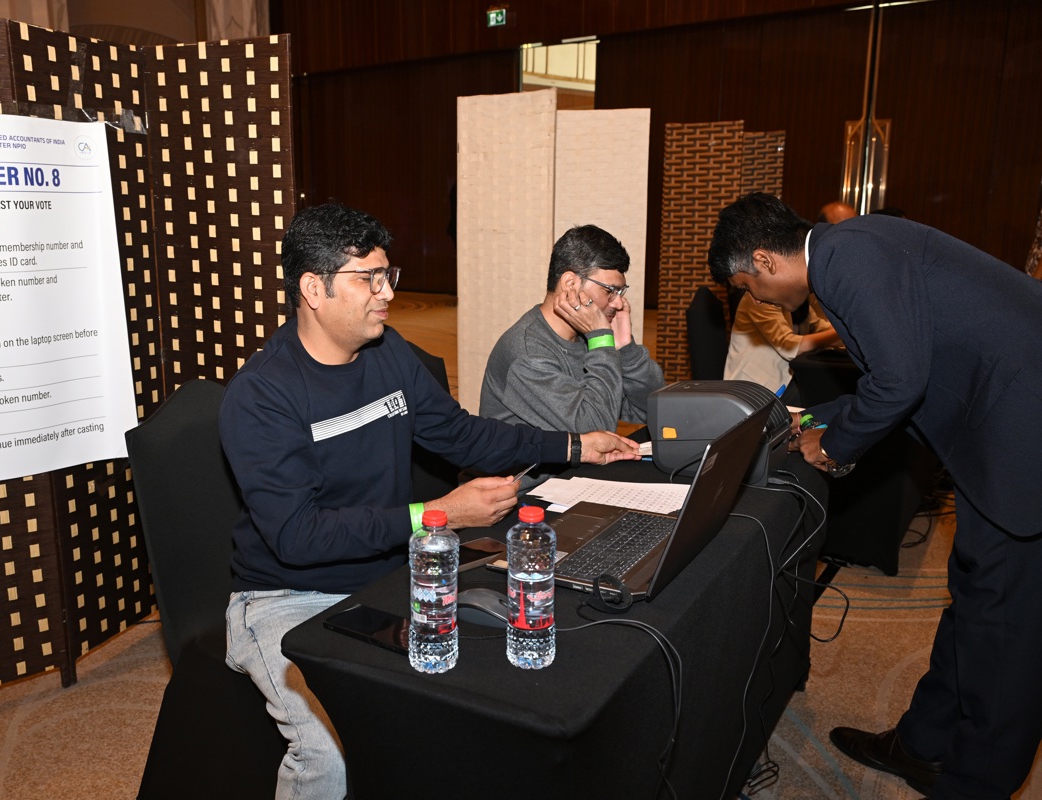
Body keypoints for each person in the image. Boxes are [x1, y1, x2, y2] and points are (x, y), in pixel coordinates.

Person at [220, 202, 642, 799]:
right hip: (285, 597)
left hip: (386, 576)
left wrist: (573, 444)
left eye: (387, 274)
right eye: (369, 279)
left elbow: (462, 434)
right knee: (329, 753)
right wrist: (438, 515)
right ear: (314, 288)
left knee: (482, 698)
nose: (387, 293)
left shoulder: (388, 353)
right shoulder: (262, 395)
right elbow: (298, 536)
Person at [708, 192, 1042, 799]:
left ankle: (976, 783)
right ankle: (925, 743)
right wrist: (810, 420)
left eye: (748, 288)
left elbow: (899, 383)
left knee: (1004, 625)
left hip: (1023, 434)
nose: (757, 301)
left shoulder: (845, 259)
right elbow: (903, 376)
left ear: (764, 261)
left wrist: (833, 447)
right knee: (976, 593)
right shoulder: (849, 251)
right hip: (1002, 423)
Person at [479, 224, 665, 436]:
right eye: (610, 291)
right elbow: (595, 432)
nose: (618, 303)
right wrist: (601, 340)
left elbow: (655, 409)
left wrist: (626, 350)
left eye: (621, 292)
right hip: (539, 460)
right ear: (570, 283)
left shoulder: (585, 338)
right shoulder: (528, 353)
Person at [724, 282, 840, 404]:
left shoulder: (797, 301)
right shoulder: (758, 298)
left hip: (786, 377)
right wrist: (838, 332)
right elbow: (789, 346)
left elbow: (822, 328)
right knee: (824, 394)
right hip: (756, 386)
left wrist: (843, 331)